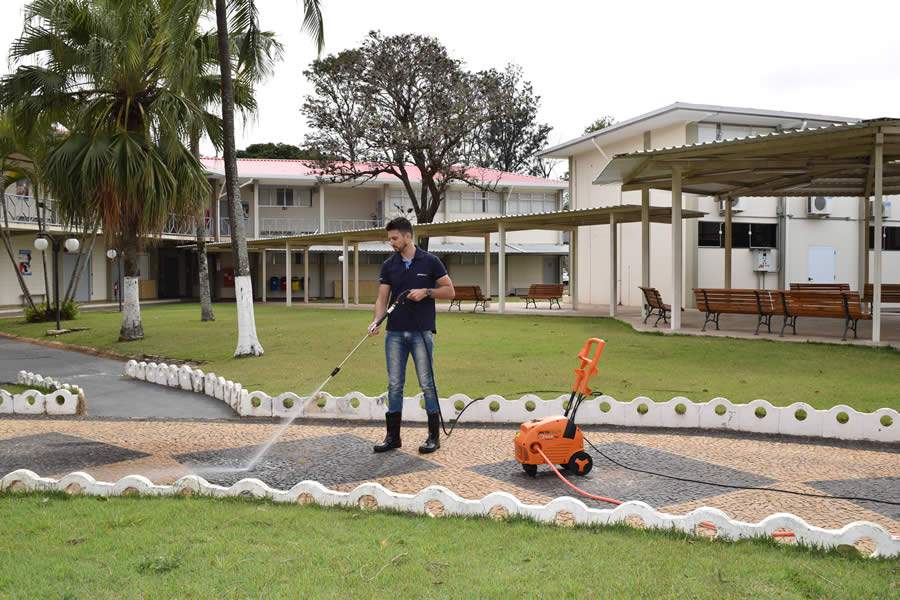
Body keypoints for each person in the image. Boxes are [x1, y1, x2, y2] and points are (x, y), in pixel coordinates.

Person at [368, 217, 455, 454]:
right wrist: (377, 320)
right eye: (389, 239)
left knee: (427, 384)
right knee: (394, 385)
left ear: (408, 236)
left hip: (421, 333)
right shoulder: (389, 265)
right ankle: (392, 437)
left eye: (394, 238)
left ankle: (433, 437)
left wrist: (427, 292)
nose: (391, 243)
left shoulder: (430, 261)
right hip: (394, 333)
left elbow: (450, 291)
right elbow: (381, 299)